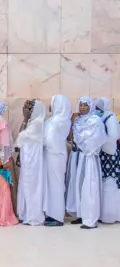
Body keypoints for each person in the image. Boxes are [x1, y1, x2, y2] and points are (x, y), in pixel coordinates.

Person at [65, 96, 106, 229]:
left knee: (89, 186)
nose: (82, 108)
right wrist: (71, 121)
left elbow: (98, 139)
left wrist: (86, 148)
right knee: (78, 186)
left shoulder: (95, 120)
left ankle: (91, 219)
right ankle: (81, 214)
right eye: (81, 105)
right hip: (77, 157)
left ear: (90, 106)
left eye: (85, 105)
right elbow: (70, 138)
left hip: (88, 158)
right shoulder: (77, 121)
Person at [43, 95, 72, 227]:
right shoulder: (61, 119)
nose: (50, 106)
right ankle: (51, 213)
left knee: (56, 185)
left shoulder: (57, 121)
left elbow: (50, 139)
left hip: (55, 154)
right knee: (52, 184)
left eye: (52, 103)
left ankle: (57, 216)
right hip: (54, 155)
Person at [16, 99, 45, 226]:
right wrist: (25, 119)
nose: (28, 111)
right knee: (26, 186)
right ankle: (26, 214)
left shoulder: (38, 123)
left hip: (34, 161)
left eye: (30, 109)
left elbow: (21, 136)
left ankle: (34, 217)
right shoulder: (31, 122)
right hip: (28, 159)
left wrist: (25, 119)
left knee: (33, 187)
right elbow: (20, 137)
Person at [95, 97, 120, 224]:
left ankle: (110, 215)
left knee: (110, 184)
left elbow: (113, 136)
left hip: (110, 154)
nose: (97, 109)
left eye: (99, 107)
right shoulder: (103, 117)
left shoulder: (111, 118)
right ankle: (103, 214)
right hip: (103, 154)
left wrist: (101, 142)